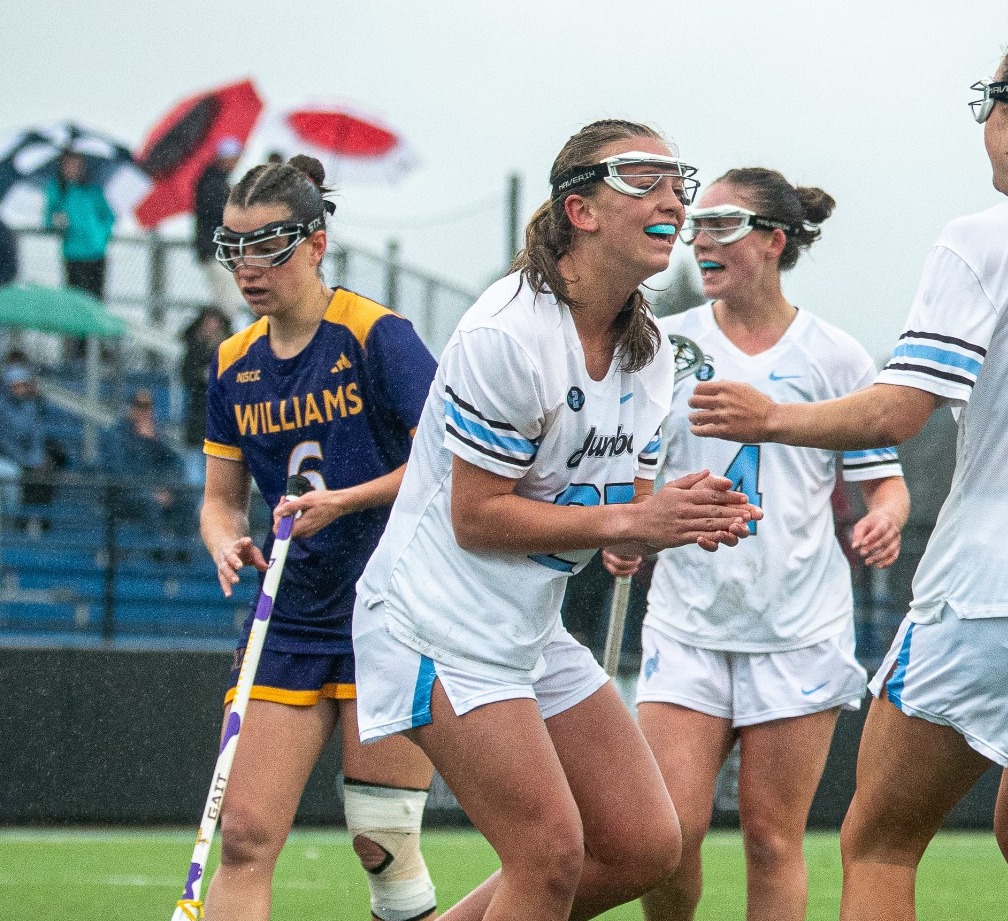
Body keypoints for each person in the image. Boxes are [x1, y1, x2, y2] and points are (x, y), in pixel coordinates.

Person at [688, 32, 1008, 920]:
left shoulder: (984, 239)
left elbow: (897, 413)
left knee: (880, 842)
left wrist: (769, 416)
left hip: (1000, 596)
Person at [352, 119, 760, 921]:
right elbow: (476, 517)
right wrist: (629, 522)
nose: (674, 197)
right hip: (434, 627)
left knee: (645, 842)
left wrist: (669, 521)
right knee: (548, 854)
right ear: (580, 209)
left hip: (525, 627)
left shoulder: (646, 351)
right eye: (645, 177)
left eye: (679, 180)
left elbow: (621, 509)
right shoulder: (508, 334)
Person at [611, 168, 910, 921]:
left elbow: (886, 481)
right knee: (666, 835)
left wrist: (886, 518)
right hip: (688, 623)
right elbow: (633, 478)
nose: (699, 239)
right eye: (696, 224)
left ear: (775, 241)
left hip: (798, 631)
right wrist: (630, 527)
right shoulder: (663, 346)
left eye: (722, 224)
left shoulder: (836, 355)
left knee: (773, 841)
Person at [199, 154, 442, 921]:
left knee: (382, 840)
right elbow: (219, 499)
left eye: (268, 245)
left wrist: (348, 500)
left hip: (389, 610)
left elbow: (453, 462)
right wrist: (224, 538)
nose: (248, 266)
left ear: (316, 242)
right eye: (234, 247)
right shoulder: (233, 365)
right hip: (291, 615)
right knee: (241, 837)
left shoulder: (379, 336)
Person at [43, 150, 117, 359]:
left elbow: (109, 217)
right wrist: (58, 224)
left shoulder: (93, 190)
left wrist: (101, 236)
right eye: (68, 165)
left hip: (95, 252)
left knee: (95, 299)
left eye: (75, 165)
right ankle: (77, 348)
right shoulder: (57, 190)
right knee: (76, 300)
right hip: (73, 253)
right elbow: (49, 220)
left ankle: (95, 344)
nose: (72, 169)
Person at [110, 388, 192, 557]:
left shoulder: (158, 436)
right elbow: (121, 472)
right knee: (150, 503)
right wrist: (151, 491)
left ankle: (183, 555)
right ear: (132, 410)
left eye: (147, 408)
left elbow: (175, 464)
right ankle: (157, 554)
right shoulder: (118, 434)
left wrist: (168, 489)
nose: (144, 413)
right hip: (128, 495)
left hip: (158, 492)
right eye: (139, 408)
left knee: (187, 502)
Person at [179, 306, 233, 484]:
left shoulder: (231, 349)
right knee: (194, 476)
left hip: (222, 421)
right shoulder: (194, 349)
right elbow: (187, 376)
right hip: (198, 418)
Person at [195, 137, 245, 317]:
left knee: (227, 299)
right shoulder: (212, 182)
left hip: (216, 248)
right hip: (215, 248)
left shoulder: (213, 181)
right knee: (228, 302)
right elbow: (217, 214)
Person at [0, 364, 47, 526]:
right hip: (6, 458)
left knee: (46, 472)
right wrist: (26, 461)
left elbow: (36, 436)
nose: (19, 389)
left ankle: (36, 520)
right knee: (9, 473)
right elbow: (4, 442)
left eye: (22, 384)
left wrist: (37, 459)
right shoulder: (2, 407)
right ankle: (9, 523)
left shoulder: (31, 406)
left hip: (24, 459)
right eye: (15, 385)